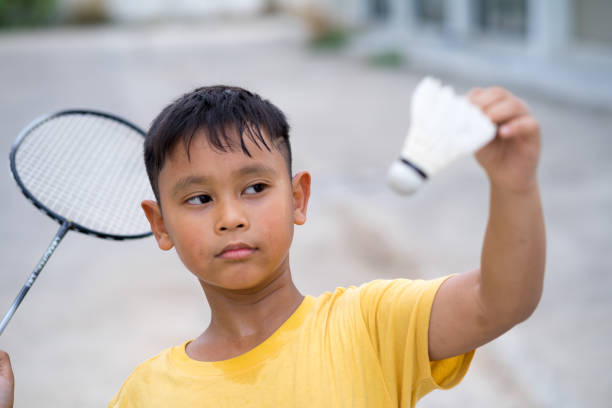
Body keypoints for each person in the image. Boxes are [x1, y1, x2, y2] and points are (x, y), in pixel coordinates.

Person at [0, 83, 545, 407]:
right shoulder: (146, 393)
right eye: (197, 199)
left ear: (298, 198)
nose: (231, 218)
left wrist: (514, 185)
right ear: (159, 224)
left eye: (255, 188)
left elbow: (500, 302)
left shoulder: (373, 325)